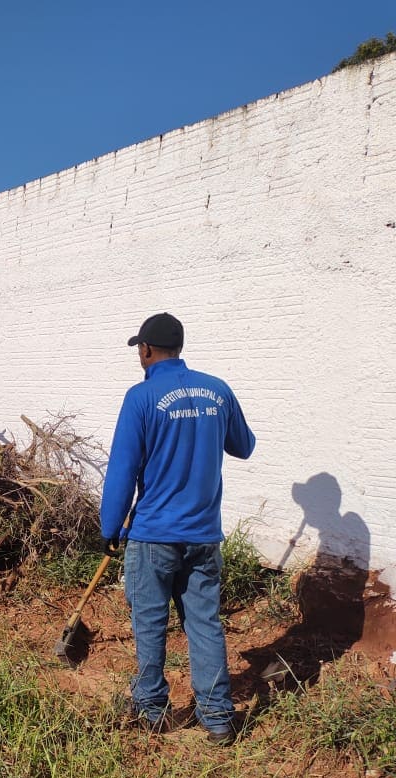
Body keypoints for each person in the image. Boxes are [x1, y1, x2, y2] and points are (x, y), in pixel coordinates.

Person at [100, 312, 255, 746]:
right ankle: (218, 718)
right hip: (204, 536)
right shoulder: (218, 390)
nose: (139, 356)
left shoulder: (142, 397)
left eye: (139, 349)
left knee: (149, 622)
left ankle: (152, 710)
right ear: (179, 348)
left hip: (153, 536)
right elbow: (244, 446)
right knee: (204, 623)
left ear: (147, 350)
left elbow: (122, 470)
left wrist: (110, 526)